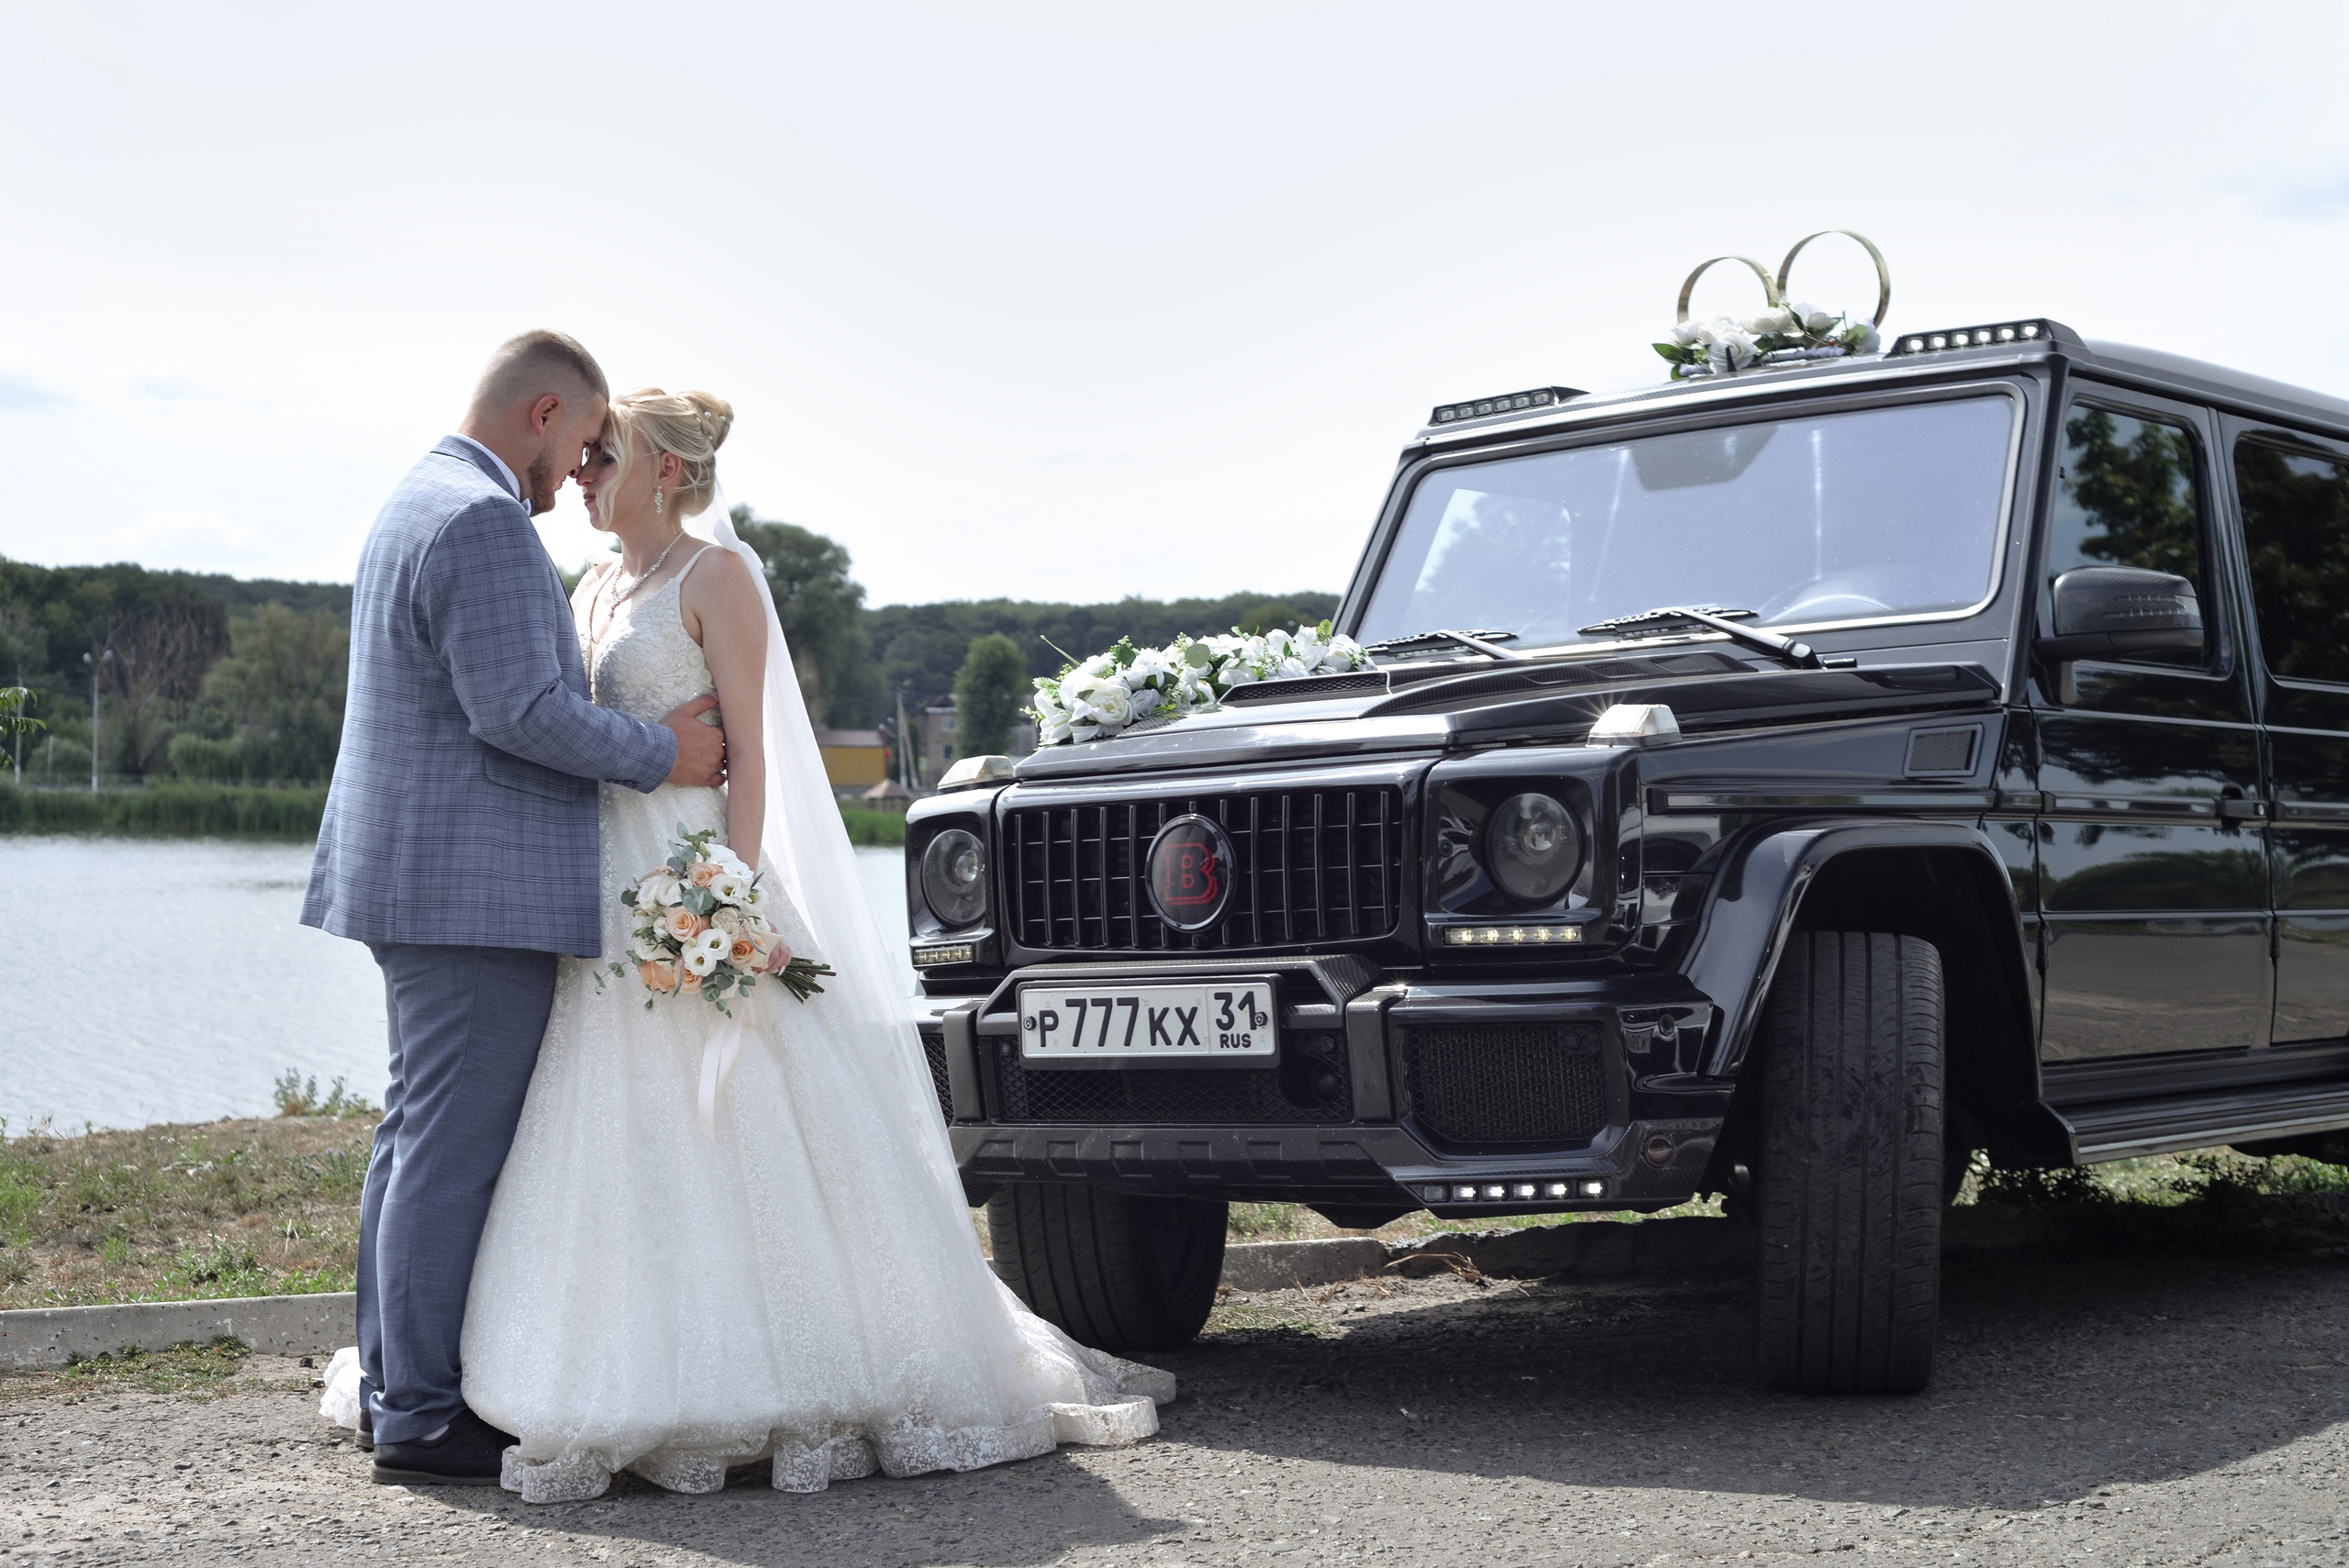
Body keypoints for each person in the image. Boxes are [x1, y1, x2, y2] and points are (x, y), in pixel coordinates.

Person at [323, 386, 1171, 1500]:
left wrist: (724, 891)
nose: (580, 473)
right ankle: (524, 1358)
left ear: (666, 469)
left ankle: (769, 1357)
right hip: (593, 904)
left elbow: (755, 754)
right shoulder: (591, 580)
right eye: (580, 454)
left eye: (603, 456)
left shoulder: (718, 578)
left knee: (731, 1123)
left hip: (687, 876)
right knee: (585, 1133)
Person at [303, 335, 731, 1485]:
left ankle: (402, 1387)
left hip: (424, 874)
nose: (577, 473)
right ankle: (422, 1415)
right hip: (467, 888)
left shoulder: (418, 494)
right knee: (445, 1150)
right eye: (582, 443)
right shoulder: (484, 517)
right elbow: (521, 711)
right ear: (544, 413)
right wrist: (666, 749)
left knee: (413, 1138)